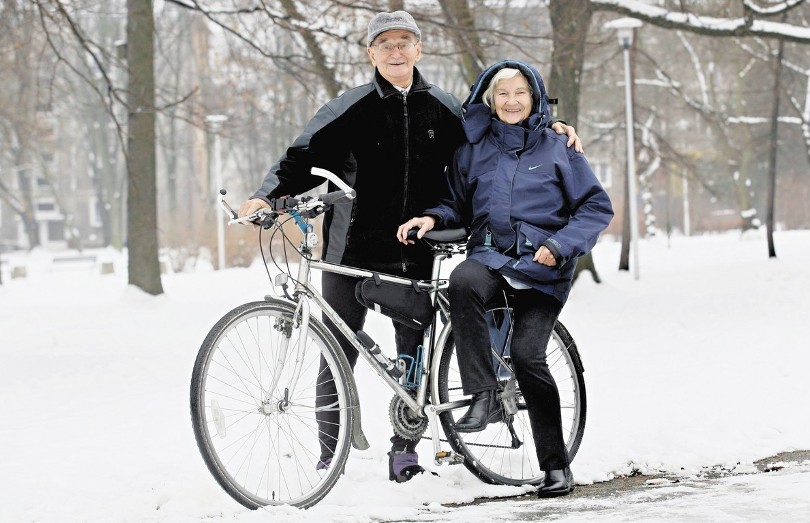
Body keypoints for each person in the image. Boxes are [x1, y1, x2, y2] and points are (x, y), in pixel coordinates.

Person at [238, 12, 582, 483]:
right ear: (371, 54)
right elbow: (301, 157)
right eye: (385, 45)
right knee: (336, 350)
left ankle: (404, 450)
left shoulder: (443, 108)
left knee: (410, 352)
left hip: (414, 250)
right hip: (350, 250)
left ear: (419, 50)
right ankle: (327, 456)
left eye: (404, 43)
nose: (396, 52)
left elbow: (503, 132)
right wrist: (267, 195)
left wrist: (555, 126)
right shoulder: (348, 108)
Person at [397, 60, 614, 497]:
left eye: (520, 93)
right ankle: (483, 396)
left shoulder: (559, 148)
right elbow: (454, 203)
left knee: (528, 356)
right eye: (502, 94)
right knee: (463, 280)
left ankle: (556, 466)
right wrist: (430, 216)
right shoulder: (471, 150)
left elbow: (595, 207)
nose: (511, 101)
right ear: (489, 100)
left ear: (533, 97)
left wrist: (559, 246)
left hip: (542, 272)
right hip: (491, 260)